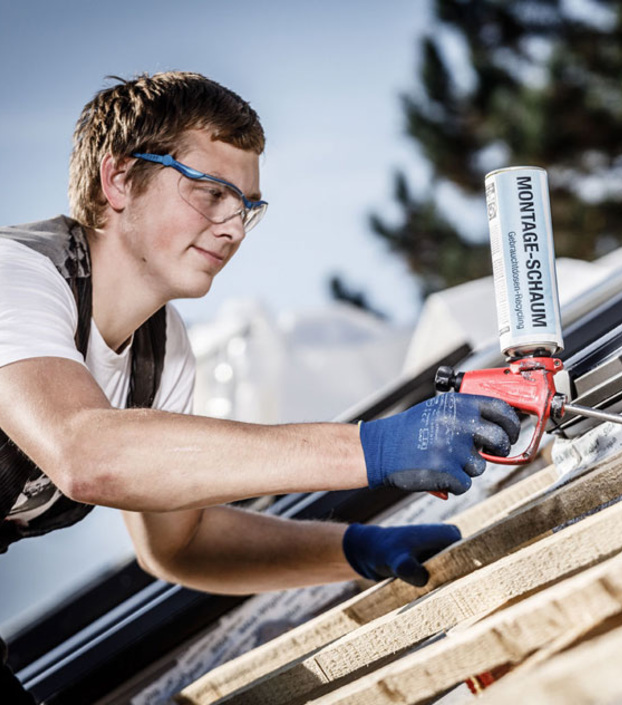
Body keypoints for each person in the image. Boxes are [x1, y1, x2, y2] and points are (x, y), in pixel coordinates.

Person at [0, 71, 520, 703]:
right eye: (209, 192)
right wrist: (373, 450)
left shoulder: (161, 352)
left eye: (246, 206)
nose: (234, 229)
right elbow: (86, 453)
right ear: (117, 179)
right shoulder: (18, 275)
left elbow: (181, 543)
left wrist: (355, 549)